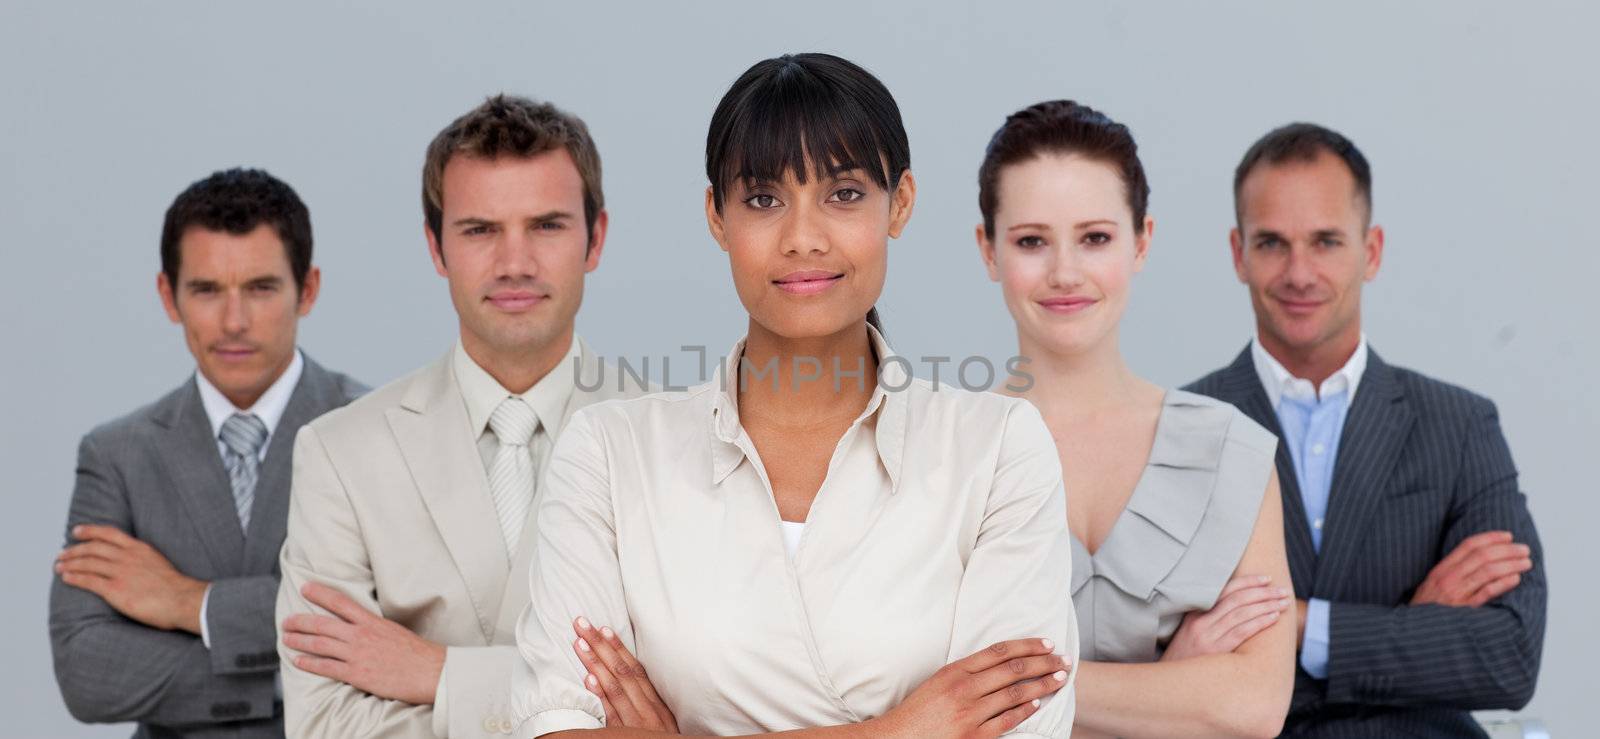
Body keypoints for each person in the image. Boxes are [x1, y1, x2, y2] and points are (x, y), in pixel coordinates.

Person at [513, 53, 1078, 739]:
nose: (804, 238)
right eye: (762, 199)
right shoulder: (609, 453)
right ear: (716, 217)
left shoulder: (997, 449)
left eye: (843, 194)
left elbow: (1022, 729)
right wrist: (900, 729)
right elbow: (557, 728)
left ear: (899, 203)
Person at [274, 95, 645, 738]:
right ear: (436, 247)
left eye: (548, 225)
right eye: (480, 230)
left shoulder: (675, 439)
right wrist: (576, 709)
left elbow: (691, 699)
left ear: (596, 238)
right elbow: (326, 723)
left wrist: (439, 674)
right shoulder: (339, 454)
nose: (515, 264)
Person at [1186, 122, 1546, 736]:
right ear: (1238, 254)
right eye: (1273, 243)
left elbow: (1508, 657)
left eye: (1326, 241)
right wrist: (1412, 624)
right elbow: (1168, 674)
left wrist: (1298, 624)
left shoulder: (1459, 425)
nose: (1299, 273)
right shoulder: (1182, 430)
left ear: (1371, 251)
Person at [974, 100, 1295, 738]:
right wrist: (1174, 685)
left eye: (1095, 238)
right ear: (988, 251)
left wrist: (1023, 690)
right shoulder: (940, 453)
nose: (1065, 273)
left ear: (1142, 241)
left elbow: (1253, 709)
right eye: (1032, 241)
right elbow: (915, 705)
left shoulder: (1233, 454)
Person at [49, 168, 365, 738]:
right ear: (169, 296)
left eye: (261, 288)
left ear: (308, 290)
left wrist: (188, 604)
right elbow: (87, 674)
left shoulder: (373, 429)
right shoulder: (118, 454)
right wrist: (290, 676)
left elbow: (390, 622)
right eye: (207, 290)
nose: (234, 321)